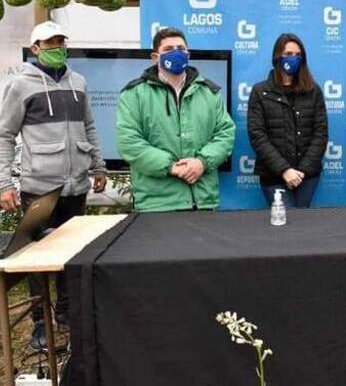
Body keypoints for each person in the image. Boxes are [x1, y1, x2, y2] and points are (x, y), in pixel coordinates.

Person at [0, 21, 107, 349]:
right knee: (37, 260)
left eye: (61, 41)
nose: (58, 47)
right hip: (40, 189)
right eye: (50, 43)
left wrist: (98, 165)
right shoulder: (20, 85)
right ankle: (40, 326)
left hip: (77, 187)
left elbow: (89, 126)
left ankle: (66, 317)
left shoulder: (79, 82)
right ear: (35, 49)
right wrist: (5, 183)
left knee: (71, 257)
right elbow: (4, 134)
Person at [116, 28, 235, 212]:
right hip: (157, 204)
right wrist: (171, 167)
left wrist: (201, 163)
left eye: (181, 48)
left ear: (188, 54)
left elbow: (225, 134)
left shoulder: (209, 93)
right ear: (155, 57)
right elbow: (129, 142)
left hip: (203, 202)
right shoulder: (134, 94)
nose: (176, 53)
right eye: (169, 49)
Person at [247, 33, 328, 208]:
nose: (294, 59)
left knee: (302, 225)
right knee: (285, 224)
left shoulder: (313, 91)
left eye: (298, 55)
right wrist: (284, 170)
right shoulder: (260, 91)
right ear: (277, 57)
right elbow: (257, 135)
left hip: (306, 176)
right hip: (273, 175)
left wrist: (302, 172)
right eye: (289, 54)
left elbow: (320, 133)